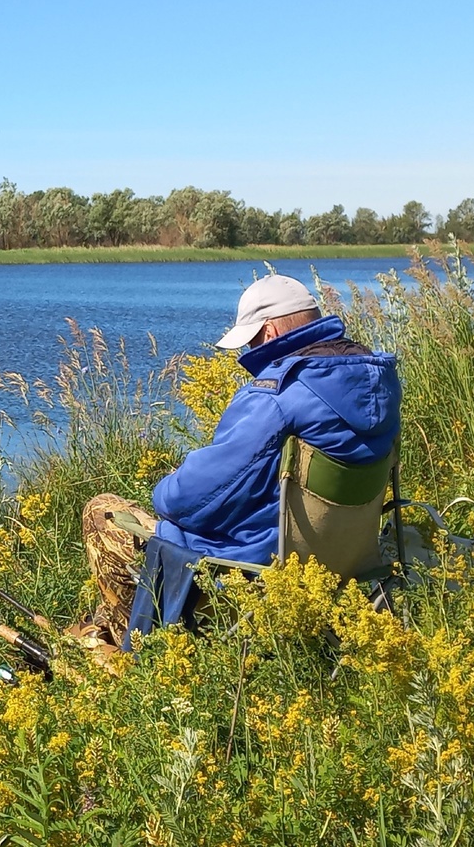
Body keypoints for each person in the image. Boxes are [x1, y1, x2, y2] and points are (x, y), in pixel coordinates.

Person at [78, 274, 402, 644]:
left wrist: (166, 486)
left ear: (270, 331)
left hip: (257, 569)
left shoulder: (277, 395)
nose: (247, 351)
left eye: (250, 340)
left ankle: (136, 655)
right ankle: (102, 625)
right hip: (346, 562)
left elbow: (188, 500)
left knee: (102, 512)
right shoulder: (381, 384)